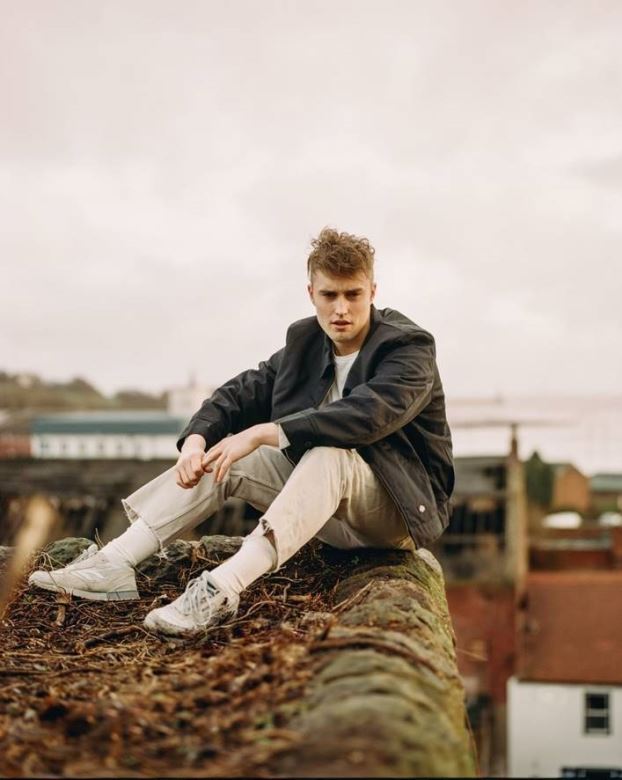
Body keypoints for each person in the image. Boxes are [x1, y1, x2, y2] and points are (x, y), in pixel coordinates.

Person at [29, 228, 454, 637]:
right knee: (230, 455)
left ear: (373, 292)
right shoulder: (305, 342)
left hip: (392, 514)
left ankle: (220, 589)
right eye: (329, 295)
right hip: (325, 512)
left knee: (328, 453)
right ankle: (115, 563)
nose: (341, 309)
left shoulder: (408, 348)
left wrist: (265, 432)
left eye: (353, 295)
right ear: (311, 294)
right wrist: (197, 440)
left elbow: (367, 416)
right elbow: (242, 391)